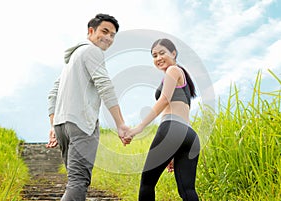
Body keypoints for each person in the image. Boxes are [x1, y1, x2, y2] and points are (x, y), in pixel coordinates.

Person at [46, 13, 129, 201]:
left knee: (74, 182)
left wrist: (53, 125)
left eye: (113, 35)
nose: (108, 38)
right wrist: (120, 124)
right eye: (104, 31)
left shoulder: (71, 60)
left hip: (62, 126)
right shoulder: (92, 51)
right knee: (78, 182)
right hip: (81, 124)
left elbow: (52, 93)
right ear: (91, 31)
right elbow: (104, 85)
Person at [124, 38, 200, 201]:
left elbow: (164, 99)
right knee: (187, 190)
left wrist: (139, 127)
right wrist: (173, 151)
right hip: (189, 136)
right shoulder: (183, 77)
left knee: (147, 184)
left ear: (173, 53)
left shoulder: (173, 70)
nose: (158, 58)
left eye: (162, 53)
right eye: (154, 55)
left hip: (172, 129)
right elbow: (182, 116)